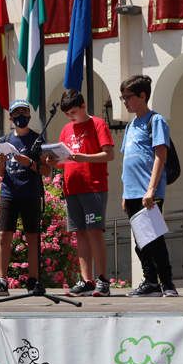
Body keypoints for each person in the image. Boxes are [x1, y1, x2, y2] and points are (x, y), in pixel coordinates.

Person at [48, 89, 115, 297]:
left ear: (83, 106)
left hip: (93, 186)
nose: (70, 117)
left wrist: (83, 157)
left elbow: (109, 154)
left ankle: (103, 280)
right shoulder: (66, 129)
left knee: (94, 231)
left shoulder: (98, 124)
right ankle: (86, 280)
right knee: (80, 233)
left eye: (74, 112)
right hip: (71, 187)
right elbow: (65, 160)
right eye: (67, 114)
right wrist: (53, 162)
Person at [0, 99, 50, 296]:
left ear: (29, 115)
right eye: (16, 113)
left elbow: (46, 170)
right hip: (9, 194)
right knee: (4, 235)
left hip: (30, 193)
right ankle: (1, 281)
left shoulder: (38, 140)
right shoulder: (4, 142)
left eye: (24, 112)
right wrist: (0, 163)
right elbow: (1, 174)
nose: (21, 116)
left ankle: (33, 280)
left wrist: (29, 162)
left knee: (32, 237)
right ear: (10, 117)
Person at [119, 75, 178, 298]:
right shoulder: (131, 125)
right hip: (132, 191)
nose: (125, 102)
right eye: (122, 97)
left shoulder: (156, 121)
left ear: (142, 96)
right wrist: (125, 192)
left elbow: (160, 154)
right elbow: (127, 160)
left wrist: (151, 189)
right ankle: (150, 281)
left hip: (148, 192)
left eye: (128, 97)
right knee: (140, 241)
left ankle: (167, 283)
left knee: (153, 238)